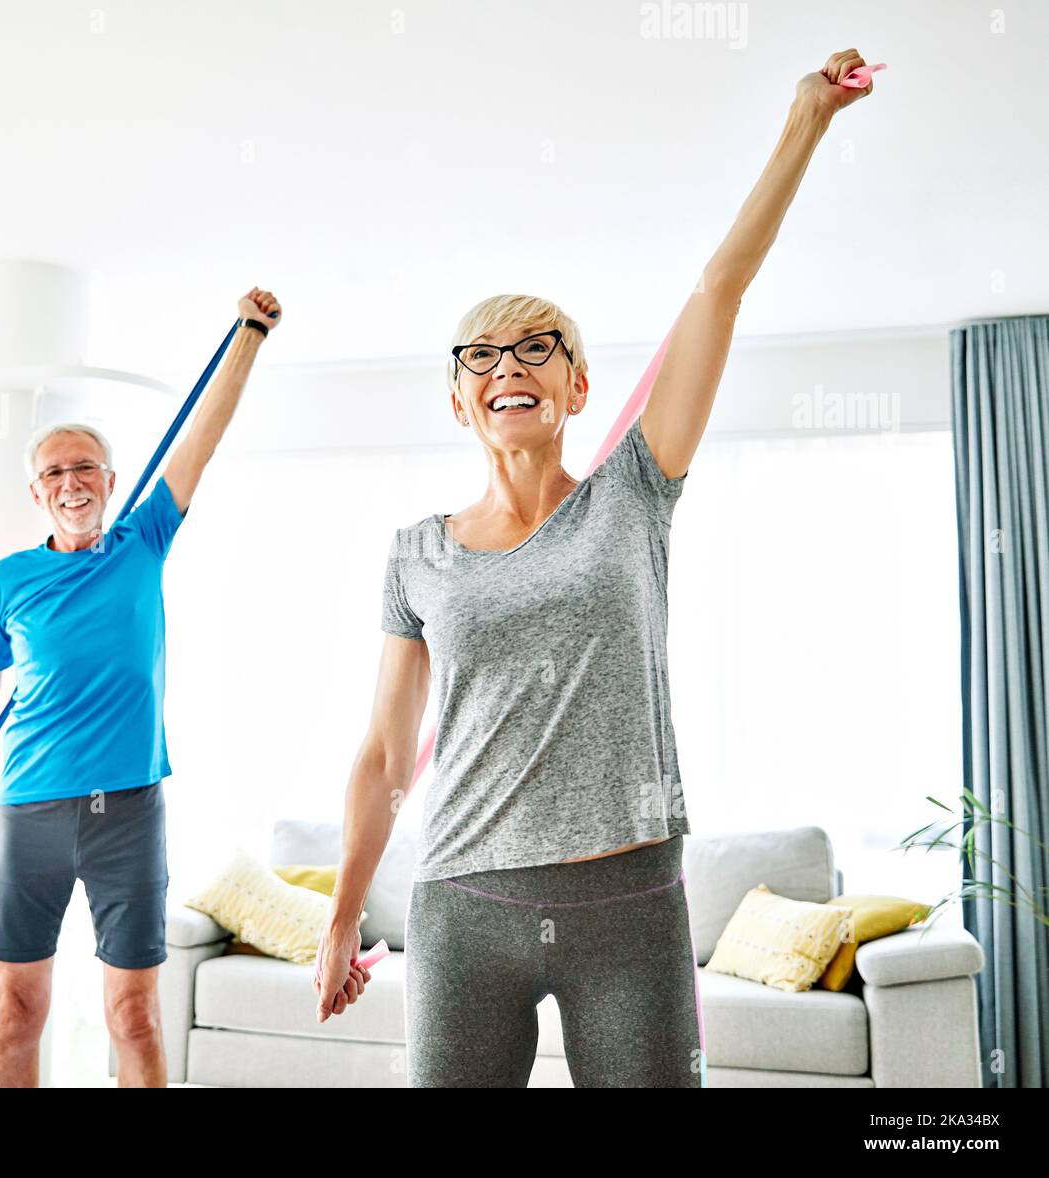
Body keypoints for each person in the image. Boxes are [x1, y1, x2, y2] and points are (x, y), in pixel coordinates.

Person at [312, 49, 877, 1086]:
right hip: (462, 907)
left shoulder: (634, 491)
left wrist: (806, 121)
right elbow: (386, 758)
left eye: (536, 348)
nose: (507, 366)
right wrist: (342, 913)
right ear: (456, 400)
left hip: (628, 904)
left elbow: (718, 290)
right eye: (480, 355)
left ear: (576, 385)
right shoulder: (416, 553)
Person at [0, 287, 282, 1088]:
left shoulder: (142, 541)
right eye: (54, 471)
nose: (71, 480)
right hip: (31, 810)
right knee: (15, 1011)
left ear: (112, 480)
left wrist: (249, 335)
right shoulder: (9, 579)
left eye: (86, 466)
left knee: (134, 1018)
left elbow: (202, 438)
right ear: (36, 492)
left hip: (128, 810)